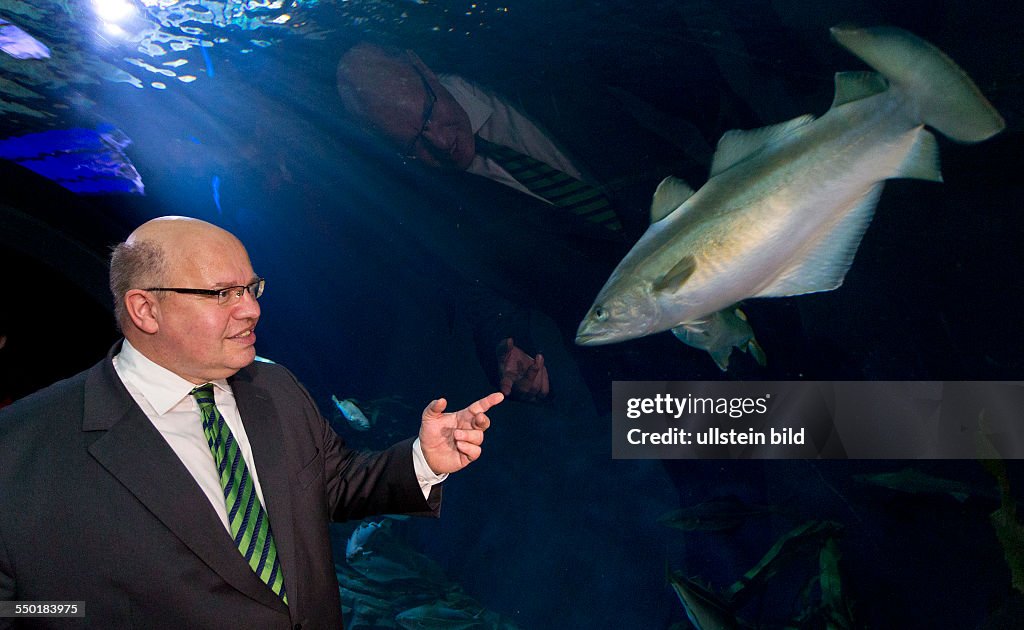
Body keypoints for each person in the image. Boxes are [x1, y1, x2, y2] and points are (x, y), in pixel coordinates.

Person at [0, 216, 503, 628]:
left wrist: (421, 459)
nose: (252, 310)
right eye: (223, 294)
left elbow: (338, 484)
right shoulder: (22, 451)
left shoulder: (274, 388)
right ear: (145, 310)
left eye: (252, 288)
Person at [336, 43, 634, 403]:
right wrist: (506, 349)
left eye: (429, 114)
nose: (442, 143)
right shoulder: (432, 208)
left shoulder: (520, 58)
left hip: (713, 243)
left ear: (422, 67)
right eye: (414, 143)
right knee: (707, 448)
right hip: (642, 363)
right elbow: (480, 292)